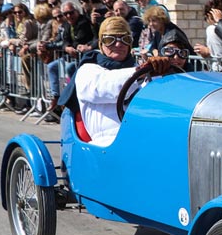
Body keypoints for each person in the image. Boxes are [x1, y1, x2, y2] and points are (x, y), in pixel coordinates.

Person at [69, 17, 169, 145]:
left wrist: (165, 74)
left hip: (144, 137)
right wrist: (140, 73)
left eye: (125, 39)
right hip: (106, 142)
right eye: (110, 40)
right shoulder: (88, 70)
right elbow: (105, 86)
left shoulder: (140, 70)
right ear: (101, 43)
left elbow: (156, 99)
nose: (118, 44)